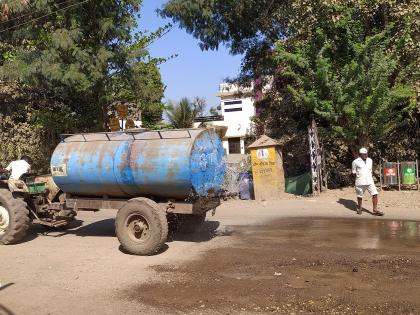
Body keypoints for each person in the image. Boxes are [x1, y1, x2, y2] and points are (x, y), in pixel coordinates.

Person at [351, 148, 383, 216]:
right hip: (360, 181)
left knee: (375, 194)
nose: (365, 155)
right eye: (363, 154)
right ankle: (359, 208)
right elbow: (353, 172)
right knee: (360, 196)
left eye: (366, 154)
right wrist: (358, 177)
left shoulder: (370, 160)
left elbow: (370, 170)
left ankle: (375, 210)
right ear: (360, 154)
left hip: (370, 181)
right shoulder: (355, 162)